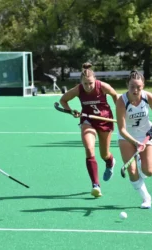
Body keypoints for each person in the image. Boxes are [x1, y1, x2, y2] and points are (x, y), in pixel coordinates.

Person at [59, 62, 119, 198]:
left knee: (104, 154)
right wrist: (71, 112)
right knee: (89, 148)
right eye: (85, 84)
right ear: (81, 82)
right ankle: (95, 185)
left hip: (105, 120)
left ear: (95, 80)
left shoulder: (103, 86)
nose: (88, 86)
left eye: (90, 83)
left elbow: (116, 96)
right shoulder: (78, 89)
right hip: (88, 121)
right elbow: (63, 100)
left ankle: (110, 162)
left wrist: (120, 113)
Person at [116, 71, 152, 209]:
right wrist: (136, 143)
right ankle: (146, 198)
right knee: (132, 171)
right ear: (127, 85)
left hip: (145, 135)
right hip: (126, 136)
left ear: (143, 86)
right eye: (132, 87)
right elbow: (122, 129)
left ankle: (141, 161)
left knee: (149, 171)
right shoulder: (121, 101)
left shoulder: (148, 97)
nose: (135, 90)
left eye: (139, 87)